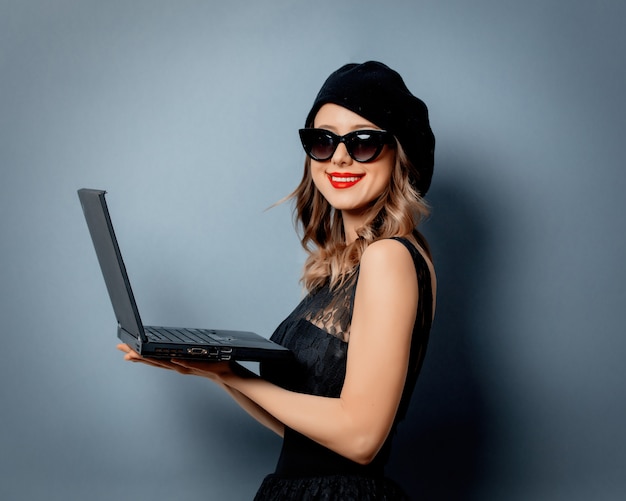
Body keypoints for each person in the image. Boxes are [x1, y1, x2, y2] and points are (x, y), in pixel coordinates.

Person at [118, 61, 436, 500]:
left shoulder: (388, 257)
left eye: (364, 142)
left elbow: (361, 440)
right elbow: (308, 437)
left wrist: (239, 377)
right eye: (322, 141)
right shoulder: (348, 267)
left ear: (399, 153)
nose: (339, 157)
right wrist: (220, 372)